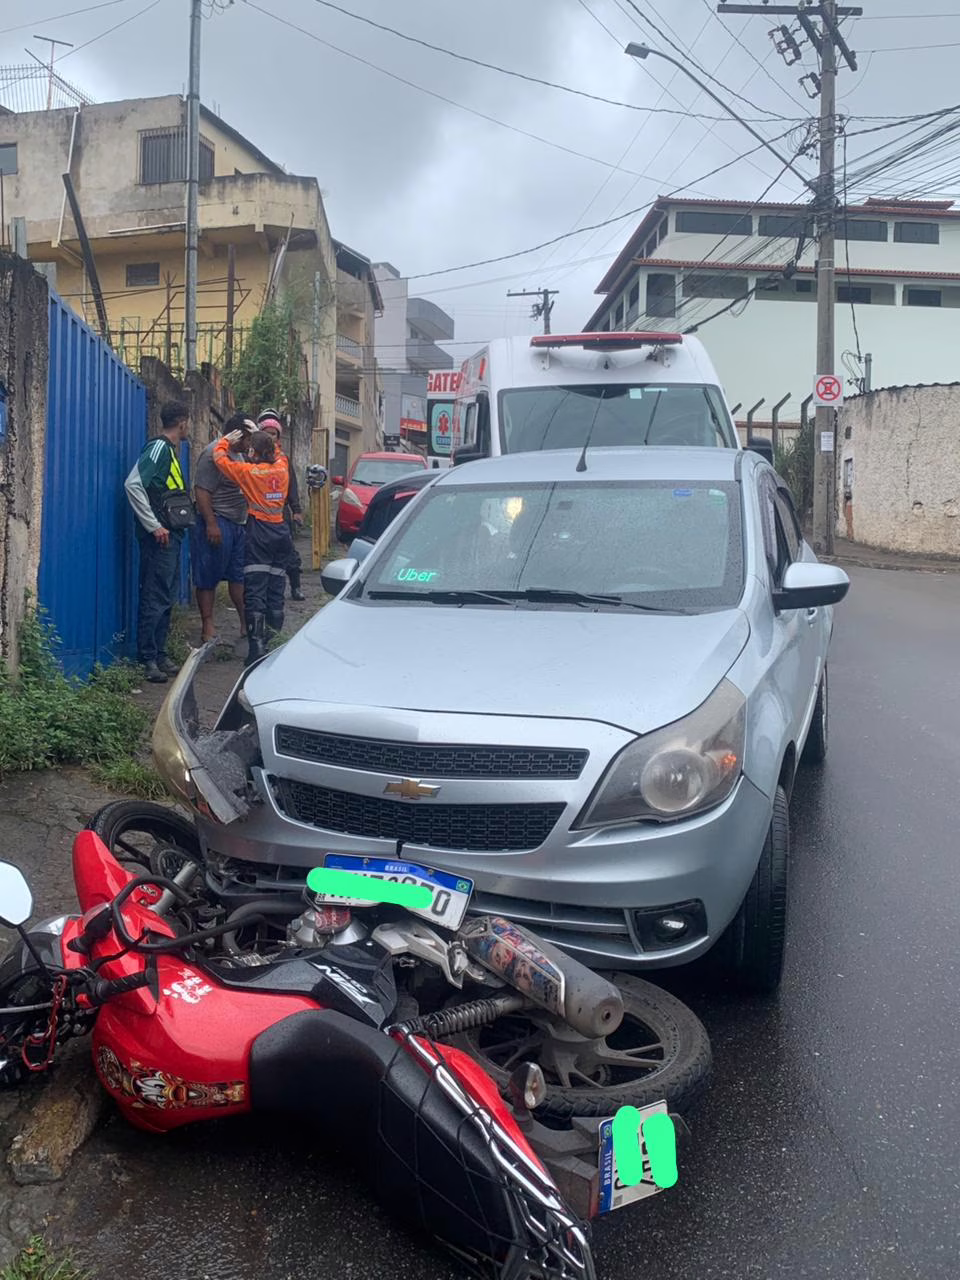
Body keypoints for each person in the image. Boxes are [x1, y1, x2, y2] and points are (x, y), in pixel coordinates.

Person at [124, 400, 192, 684]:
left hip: (171, 535)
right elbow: (133, 484)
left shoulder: (170, 451)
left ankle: (160, 654)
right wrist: (154, 526)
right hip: (160, 538)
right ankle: (148, 658)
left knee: (165, 595)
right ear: (182, 422)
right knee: (155, 594)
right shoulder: (158, 448)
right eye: (188, 423)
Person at [213, 427, 294, 664]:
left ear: (253, 452)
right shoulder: (282, 466)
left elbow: (219, 459)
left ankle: (256, 646)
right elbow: (277, 451)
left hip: (259, 532)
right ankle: (274, 642)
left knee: (255, 590)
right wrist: (263, 436)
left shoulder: (249, 472)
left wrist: (225, 441)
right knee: (276, 588)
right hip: (281, 531)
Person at [191, 413, 255, 643]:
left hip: (238, 524)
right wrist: (211, 523)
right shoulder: (213, 454)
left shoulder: (239, 456)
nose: (249, 444)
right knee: (208, 575)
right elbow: (202, 491)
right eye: (246, 438)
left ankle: (244, 623)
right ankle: (208, 625)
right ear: (235, 435)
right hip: (218, 521)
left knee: (239, 576)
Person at [256, 410, 305, 600]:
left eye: (273, 433)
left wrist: (297, 510)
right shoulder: (253, 459)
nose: (270, 437)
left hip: (280, 515)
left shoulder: (283, 460)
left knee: (289, 553)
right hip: (258, 517)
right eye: (266, 433)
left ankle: (295, 586)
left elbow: (291, 485)